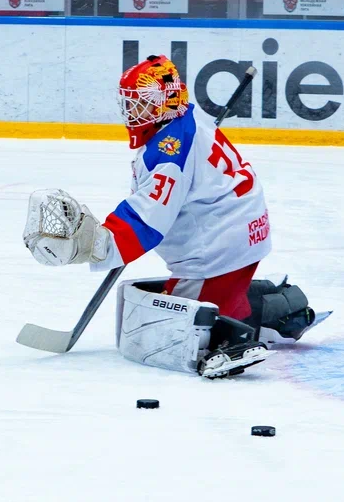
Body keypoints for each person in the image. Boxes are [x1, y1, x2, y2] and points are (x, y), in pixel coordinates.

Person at [22, 55, 318, 378]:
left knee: (175, 328)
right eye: (130, 103)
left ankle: (236, 337)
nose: (132, 112)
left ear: (166, 103)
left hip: (220, 249)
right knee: (174, 305)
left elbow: (149, 219)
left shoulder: (170, 147)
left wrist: (98, 243)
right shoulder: (183, 122)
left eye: (141, 104)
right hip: (238, 235)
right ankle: (282, 305)